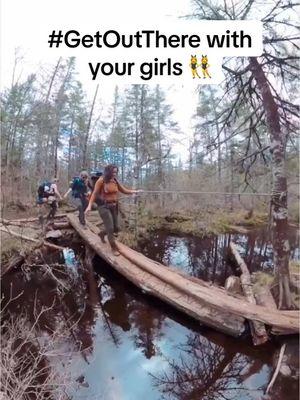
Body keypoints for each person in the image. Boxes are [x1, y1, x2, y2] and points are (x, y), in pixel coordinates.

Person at [85, 164, 140, 256]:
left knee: (116, 228)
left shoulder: (115, 181)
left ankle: (102, 234)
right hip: (104, 207)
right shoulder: (101, 180)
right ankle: (113, 248)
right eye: (113, 172)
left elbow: (124, 190)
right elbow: (94, 194)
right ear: (108, 172)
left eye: (116, 172)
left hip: (114, 207)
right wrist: (89, 206)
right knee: (110, 228)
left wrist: (135, 192)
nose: (115, 174)